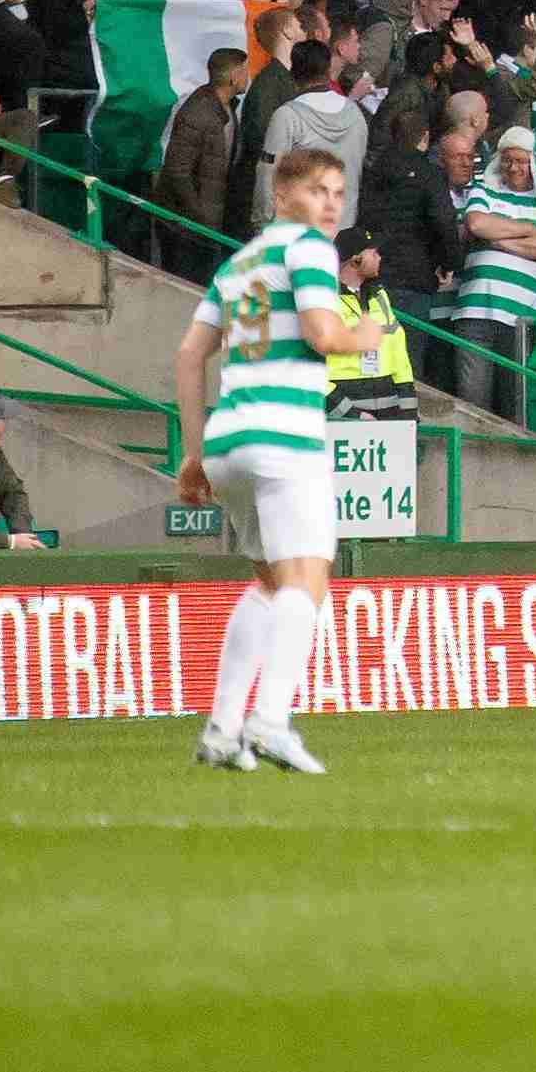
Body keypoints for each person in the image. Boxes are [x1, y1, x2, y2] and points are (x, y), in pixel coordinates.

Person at [169, 145, 368, 774]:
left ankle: (223, 729)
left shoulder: (236, 263)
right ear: (282, 196)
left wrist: (194, 451)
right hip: (284, 434)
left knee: (268, 584)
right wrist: (363, 336)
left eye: (337, 192)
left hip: (230, 439)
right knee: (307, 583)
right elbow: (322, 334)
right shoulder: (308, 248)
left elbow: (187, 356)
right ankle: (271, 721)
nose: (330, 204)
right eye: (317, 190)